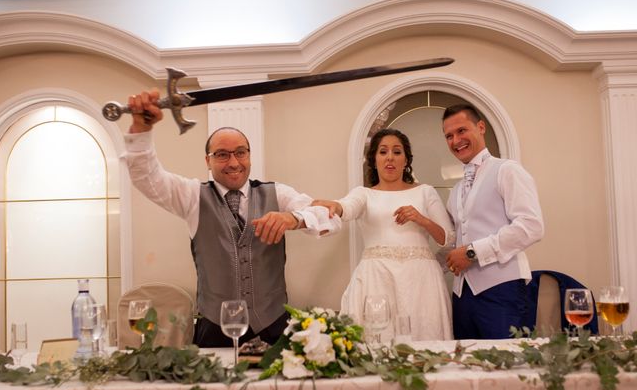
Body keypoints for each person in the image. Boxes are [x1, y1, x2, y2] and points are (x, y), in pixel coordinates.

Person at [123, 90, 336, 347]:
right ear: (208, 161)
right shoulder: (192, 196)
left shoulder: (277, 194)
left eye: (240, 153)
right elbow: (148, 179)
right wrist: (141, 131)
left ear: (249, 156)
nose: (233, 162)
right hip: (214, 328)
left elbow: (329, 218)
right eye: (222, 154)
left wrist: (294, 219)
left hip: (273, 327)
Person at [313, 128, 455, 341]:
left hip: (421, 282)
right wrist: (335, 206)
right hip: (377, 280)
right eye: (383, 152)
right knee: (377, 343)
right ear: (374, 159)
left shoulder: (425, 192)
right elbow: (348, 207)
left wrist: (421, 219)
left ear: (406, 159)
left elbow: (448, 238)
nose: (390, 157)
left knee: (425, 343)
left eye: (397, 152)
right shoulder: (364, 194)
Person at [442, 104, 544, 339]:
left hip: (502, 291)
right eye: (449, 136)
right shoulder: (455, 190)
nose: (456, 140)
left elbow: (532, 225)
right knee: (466, 369)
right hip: (462, 297)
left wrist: (471, 253)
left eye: (461, 131)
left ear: (480, 127)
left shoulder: (507, 170)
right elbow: (455, 240)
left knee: (508, 369)